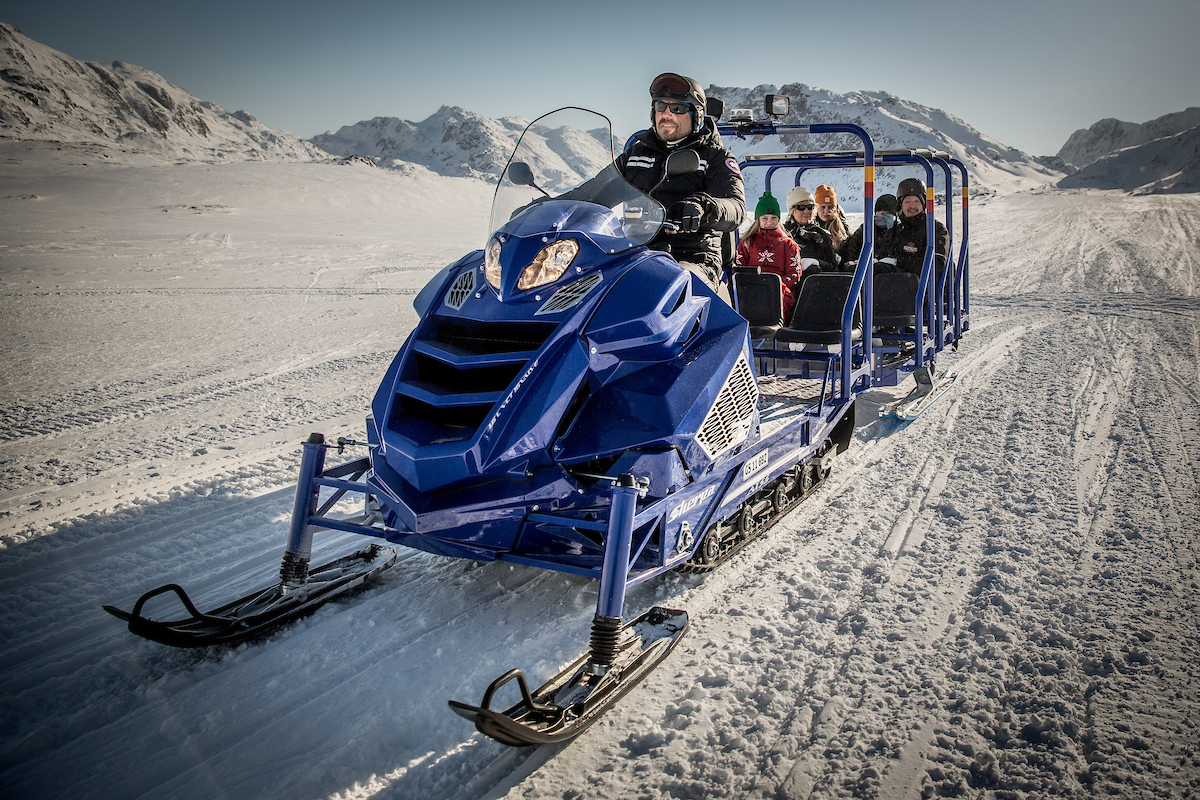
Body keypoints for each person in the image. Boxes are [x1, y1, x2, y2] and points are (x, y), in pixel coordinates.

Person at [615, 72, 746, 290]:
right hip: (637, 253)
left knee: (667, 285)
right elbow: (594, 192)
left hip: (695, 258)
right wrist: (547, 207)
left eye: (676, 108)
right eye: (660, 106)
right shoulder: (635, 154)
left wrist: (704, 206)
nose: (666, 114)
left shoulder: (715, 157)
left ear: (697, 115)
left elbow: (736, 208)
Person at [735, 190, 802, 319]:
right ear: (758, 219)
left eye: (773, 218)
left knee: (775, 301)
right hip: (752, 288)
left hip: (779, 290)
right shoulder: (747, 243)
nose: (769, 222)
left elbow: (794, 272)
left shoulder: (788, 244)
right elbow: (739, 268)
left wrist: (776, 285)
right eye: (764, 218)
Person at [891, 177, 949, 276]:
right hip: (895, 285)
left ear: (923, 204)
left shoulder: (936, 229)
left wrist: (898, 263)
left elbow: (936, 264)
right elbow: (884, 255)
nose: (912, 206)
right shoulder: (896, 230)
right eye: (907, 201)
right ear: (901, 205)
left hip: (926, 286)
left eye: (916, 201)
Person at [782, 185, 838, 278]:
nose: (807, 211)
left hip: (817, 283)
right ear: (792, 210)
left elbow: (831, 264)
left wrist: (816, 262)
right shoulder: (784, 234)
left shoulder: (822, 235)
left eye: (810, 207)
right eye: (801, 207)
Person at [839, 193, 899, 268]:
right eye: (879, 211)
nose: (881, 214)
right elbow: (852, 246)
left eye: (886, 212)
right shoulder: (866, 228)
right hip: (864, 268)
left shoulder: (898, 230)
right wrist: (850, 261)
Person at [813, 184, 850, 253]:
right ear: (816, 208)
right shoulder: (810, 227)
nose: (826, 211)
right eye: (823, 207)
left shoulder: (843, 228)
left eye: (830, 207)